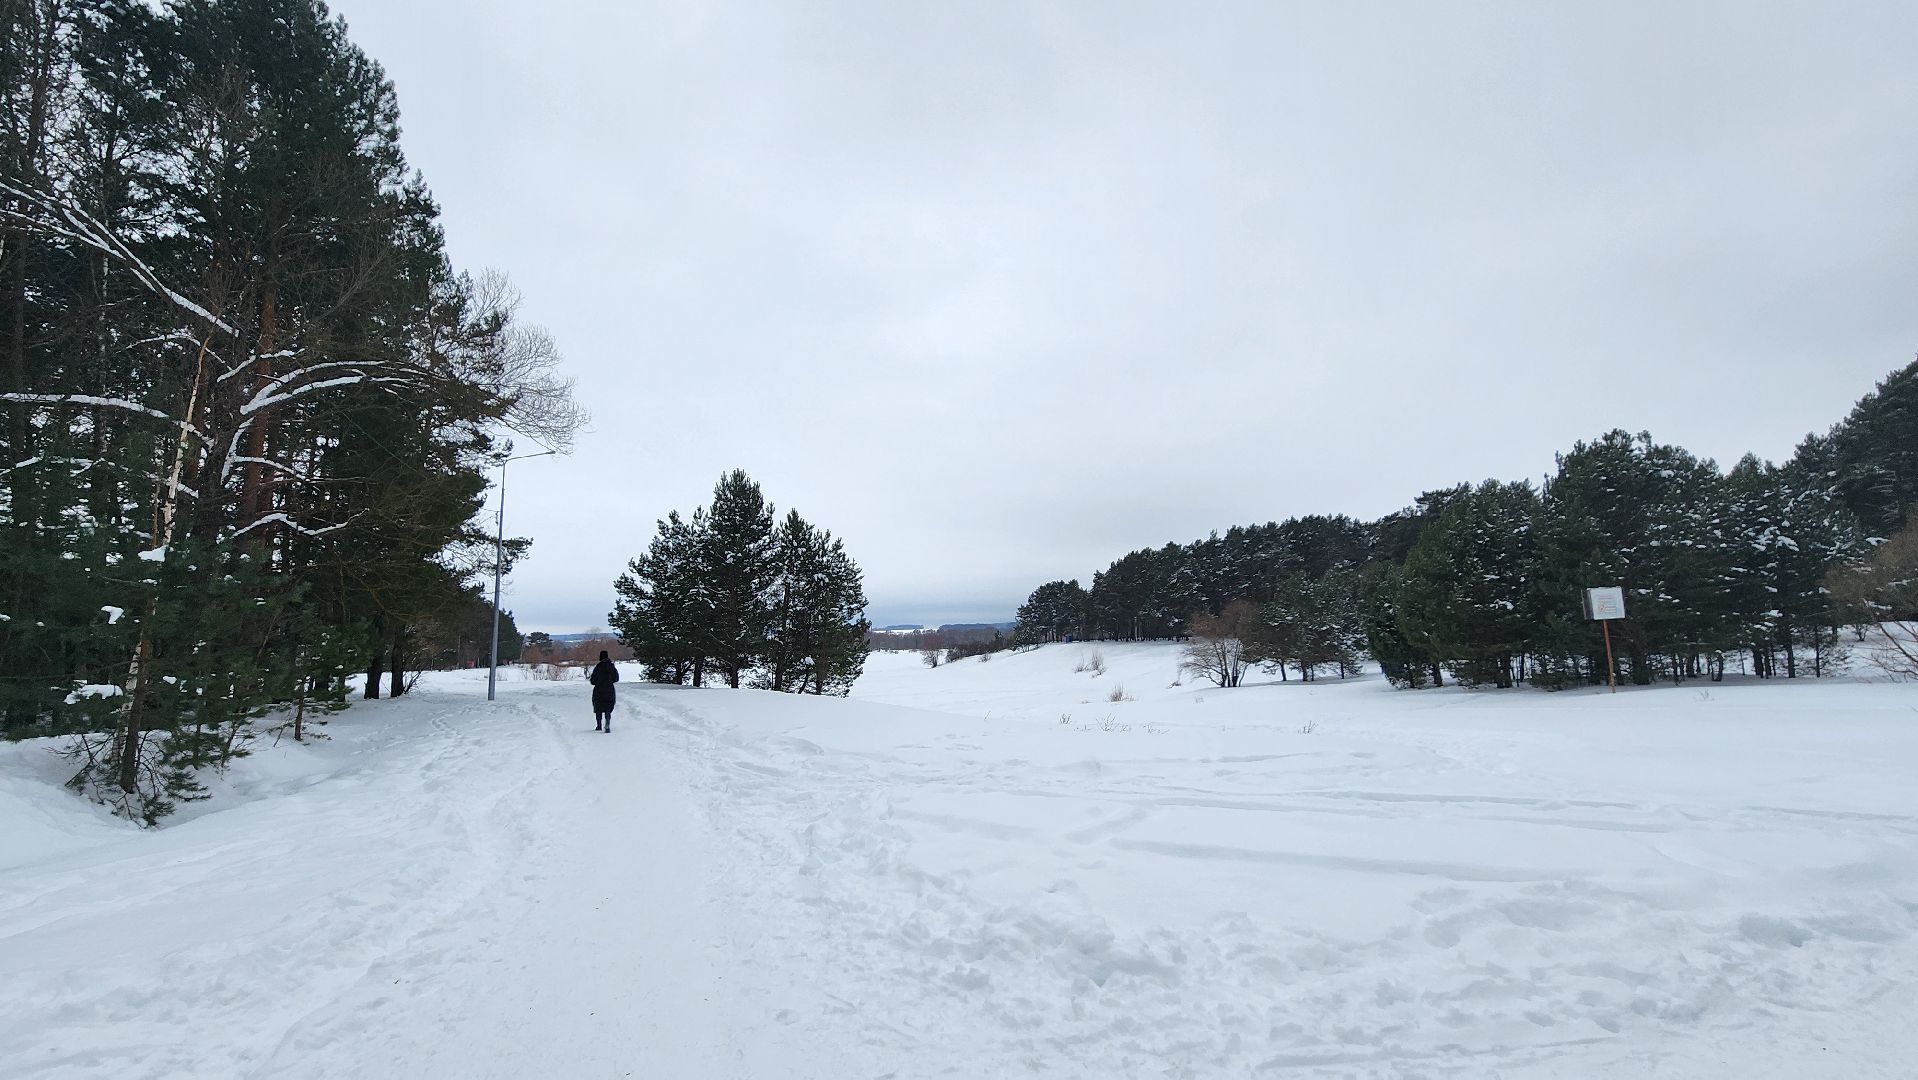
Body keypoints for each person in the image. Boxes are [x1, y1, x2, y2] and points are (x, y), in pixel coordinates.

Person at [589, 650, 619, 732]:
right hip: (609, 690)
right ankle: (607, 723)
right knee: (608, 708)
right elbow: (616, 678)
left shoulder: (598, 667)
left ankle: (599, 725)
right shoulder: (612, 667)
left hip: (599, 690)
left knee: (598, 707)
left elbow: (593, 681)